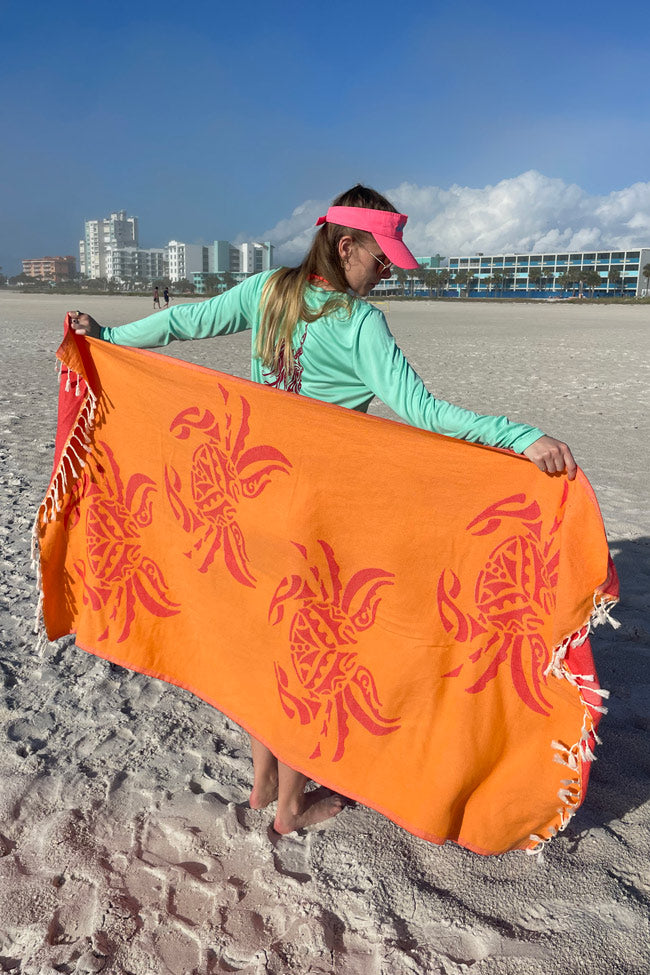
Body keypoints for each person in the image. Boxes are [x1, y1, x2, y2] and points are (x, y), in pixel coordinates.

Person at [69, 184, 576, 834]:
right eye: (381, 255)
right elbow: (424, 413)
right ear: (346, 246)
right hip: (314, 517)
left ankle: (260, 787)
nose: (388, 268)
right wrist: (519, 436)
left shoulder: (269, 292)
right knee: (304, 661)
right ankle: (289, 807)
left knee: (264, 650)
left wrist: (108, 336)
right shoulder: (359, 323)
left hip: (251, 506)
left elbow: (181, 322)